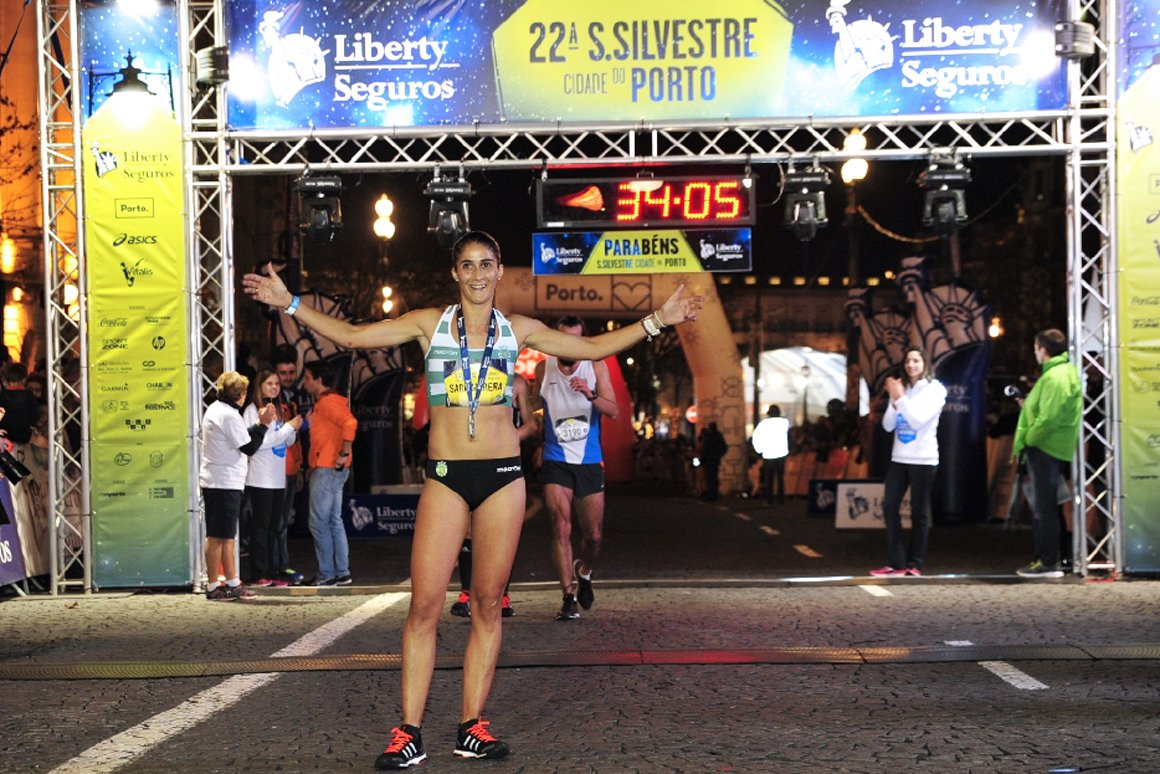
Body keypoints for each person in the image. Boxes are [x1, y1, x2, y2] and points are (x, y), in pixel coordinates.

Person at [243, 230, 701, 769]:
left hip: (503, 477)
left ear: (499, 271)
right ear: (455, 273)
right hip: (446, 477)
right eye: (468, 265)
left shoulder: (518, 329)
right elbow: (352, 335)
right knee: (424, 606)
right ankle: (409, 732)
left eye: (487, 264)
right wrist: (290, 304)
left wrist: (659, 320)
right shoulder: (429, 324)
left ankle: (471, 727)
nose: (478, 274)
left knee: (486, 604)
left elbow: (593, 348)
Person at [535, 315, 618, 621]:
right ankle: (568, 595)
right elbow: (535, 406)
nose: (568, 346)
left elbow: (614, 410)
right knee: (561, 526)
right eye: (563, 338)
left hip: (588, 461)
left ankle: (584, 571)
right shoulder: (543, 369)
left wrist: (590, 394)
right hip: (556, 459)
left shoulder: (595, 366)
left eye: (575, 339)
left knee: (593, 536)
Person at [451, 372, 538, 619]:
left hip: (503, 462)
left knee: (501, 532)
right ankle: (466, 595)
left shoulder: (517, 382)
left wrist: (507, 438)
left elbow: (531, 424)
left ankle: (503, 596)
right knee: (468, 530)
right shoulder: (466, 373)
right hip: (468, 458)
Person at [869, 347, 947, 577]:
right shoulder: (904, 389)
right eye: (907, 361)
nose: (911, 365)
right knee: (889, 506)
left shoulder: (935, 389)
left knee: (918, 511)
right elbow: (887, 426)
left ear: (925, 363)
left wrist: (900, 397)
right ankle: (896, 562)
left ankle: (915, 564)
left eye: (916, 360)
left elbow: (916, 421)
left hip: (923, 458)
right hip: (899, 457)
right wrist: (895, 401)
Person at [1012, 328, 1081, 578]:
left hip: (1045, 448)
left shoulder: (1055, 376)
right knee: (1047, 506)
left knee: (1045, 508)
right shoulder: (1060, 373)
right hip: (1049, 447)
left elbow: (1049, 419)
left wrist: (1029, 439)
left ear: (1043, 349)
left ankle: (1048, 562)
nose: (1035, 353)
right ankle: (1048, 559)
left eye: (1035, 348)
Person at [200, 371, 275, 601]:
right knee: (220, 536)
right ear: (241, 395)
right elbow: (249, 447)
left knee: (223, 535)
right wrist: (263, 425)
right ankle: (218, 585)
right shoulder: (230, 415)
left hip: (218, 480)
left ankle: (227, 583)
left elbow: (241, 439)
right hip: (224, 482)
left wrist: (258, 425)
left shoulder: (216, 409)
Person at [243, 369, 303, 586]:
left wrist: (292, 430)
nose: (274, 387)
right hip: (260, 478)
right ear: (259, 386)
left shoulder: (279, 409)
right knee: (261, 527)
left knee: (274, 527)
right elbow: (258, 444)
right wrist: (288, 428)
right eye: (269, 383)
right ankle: (259, 572)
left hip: (278, 477)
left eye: (277, 384)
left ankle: (273, 570)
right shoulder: (252, 410)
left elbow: (286, 442)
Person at [301, 359, 358, 587]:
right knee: (333, 520)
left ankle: (327, 573)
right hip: (332, 468)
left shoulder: (327, 402)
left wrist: (343, 452)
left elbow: (350, 423)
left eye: (307, 377)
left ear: (318, 379)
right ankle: (341, 572)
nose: (304, 382)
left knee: (319, 522)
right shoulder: (329, 401)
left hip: (327, 468)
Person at [271, 345, 307, 585]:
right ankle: (278, 568)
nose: (287, 377)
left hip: (291, 468)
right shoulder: (273, 401)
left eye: (291, 372)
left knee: (281, 523)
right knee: (277, 523)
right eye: (282, 373)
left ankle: (281, 566)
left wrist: (300, 467)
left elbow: (297, 438)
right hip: (277, 470)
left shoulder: (292, 398)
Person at [751, 405, 790, 505]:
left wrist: (759, 451)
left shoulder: (764, 424)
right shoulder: (784, 423)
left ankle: (769, 499)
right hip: (781, 453)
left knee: (769, 478)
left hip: (769, 454)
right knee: (780, 478)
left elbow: (756, 437)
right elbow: (789, 437)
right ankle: (781, 499)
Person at [697, 421, 727, 501]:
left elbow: (705, 449)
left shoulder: (710, 437)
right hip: (715, 459)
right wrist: (718, 455)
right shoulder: (718, 436)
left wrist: (703, 459)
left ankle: (711, 494)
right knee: (714, 477)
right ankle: (714, 494)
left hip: (709, 460)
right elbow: (724, 448)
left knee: (709, 478)